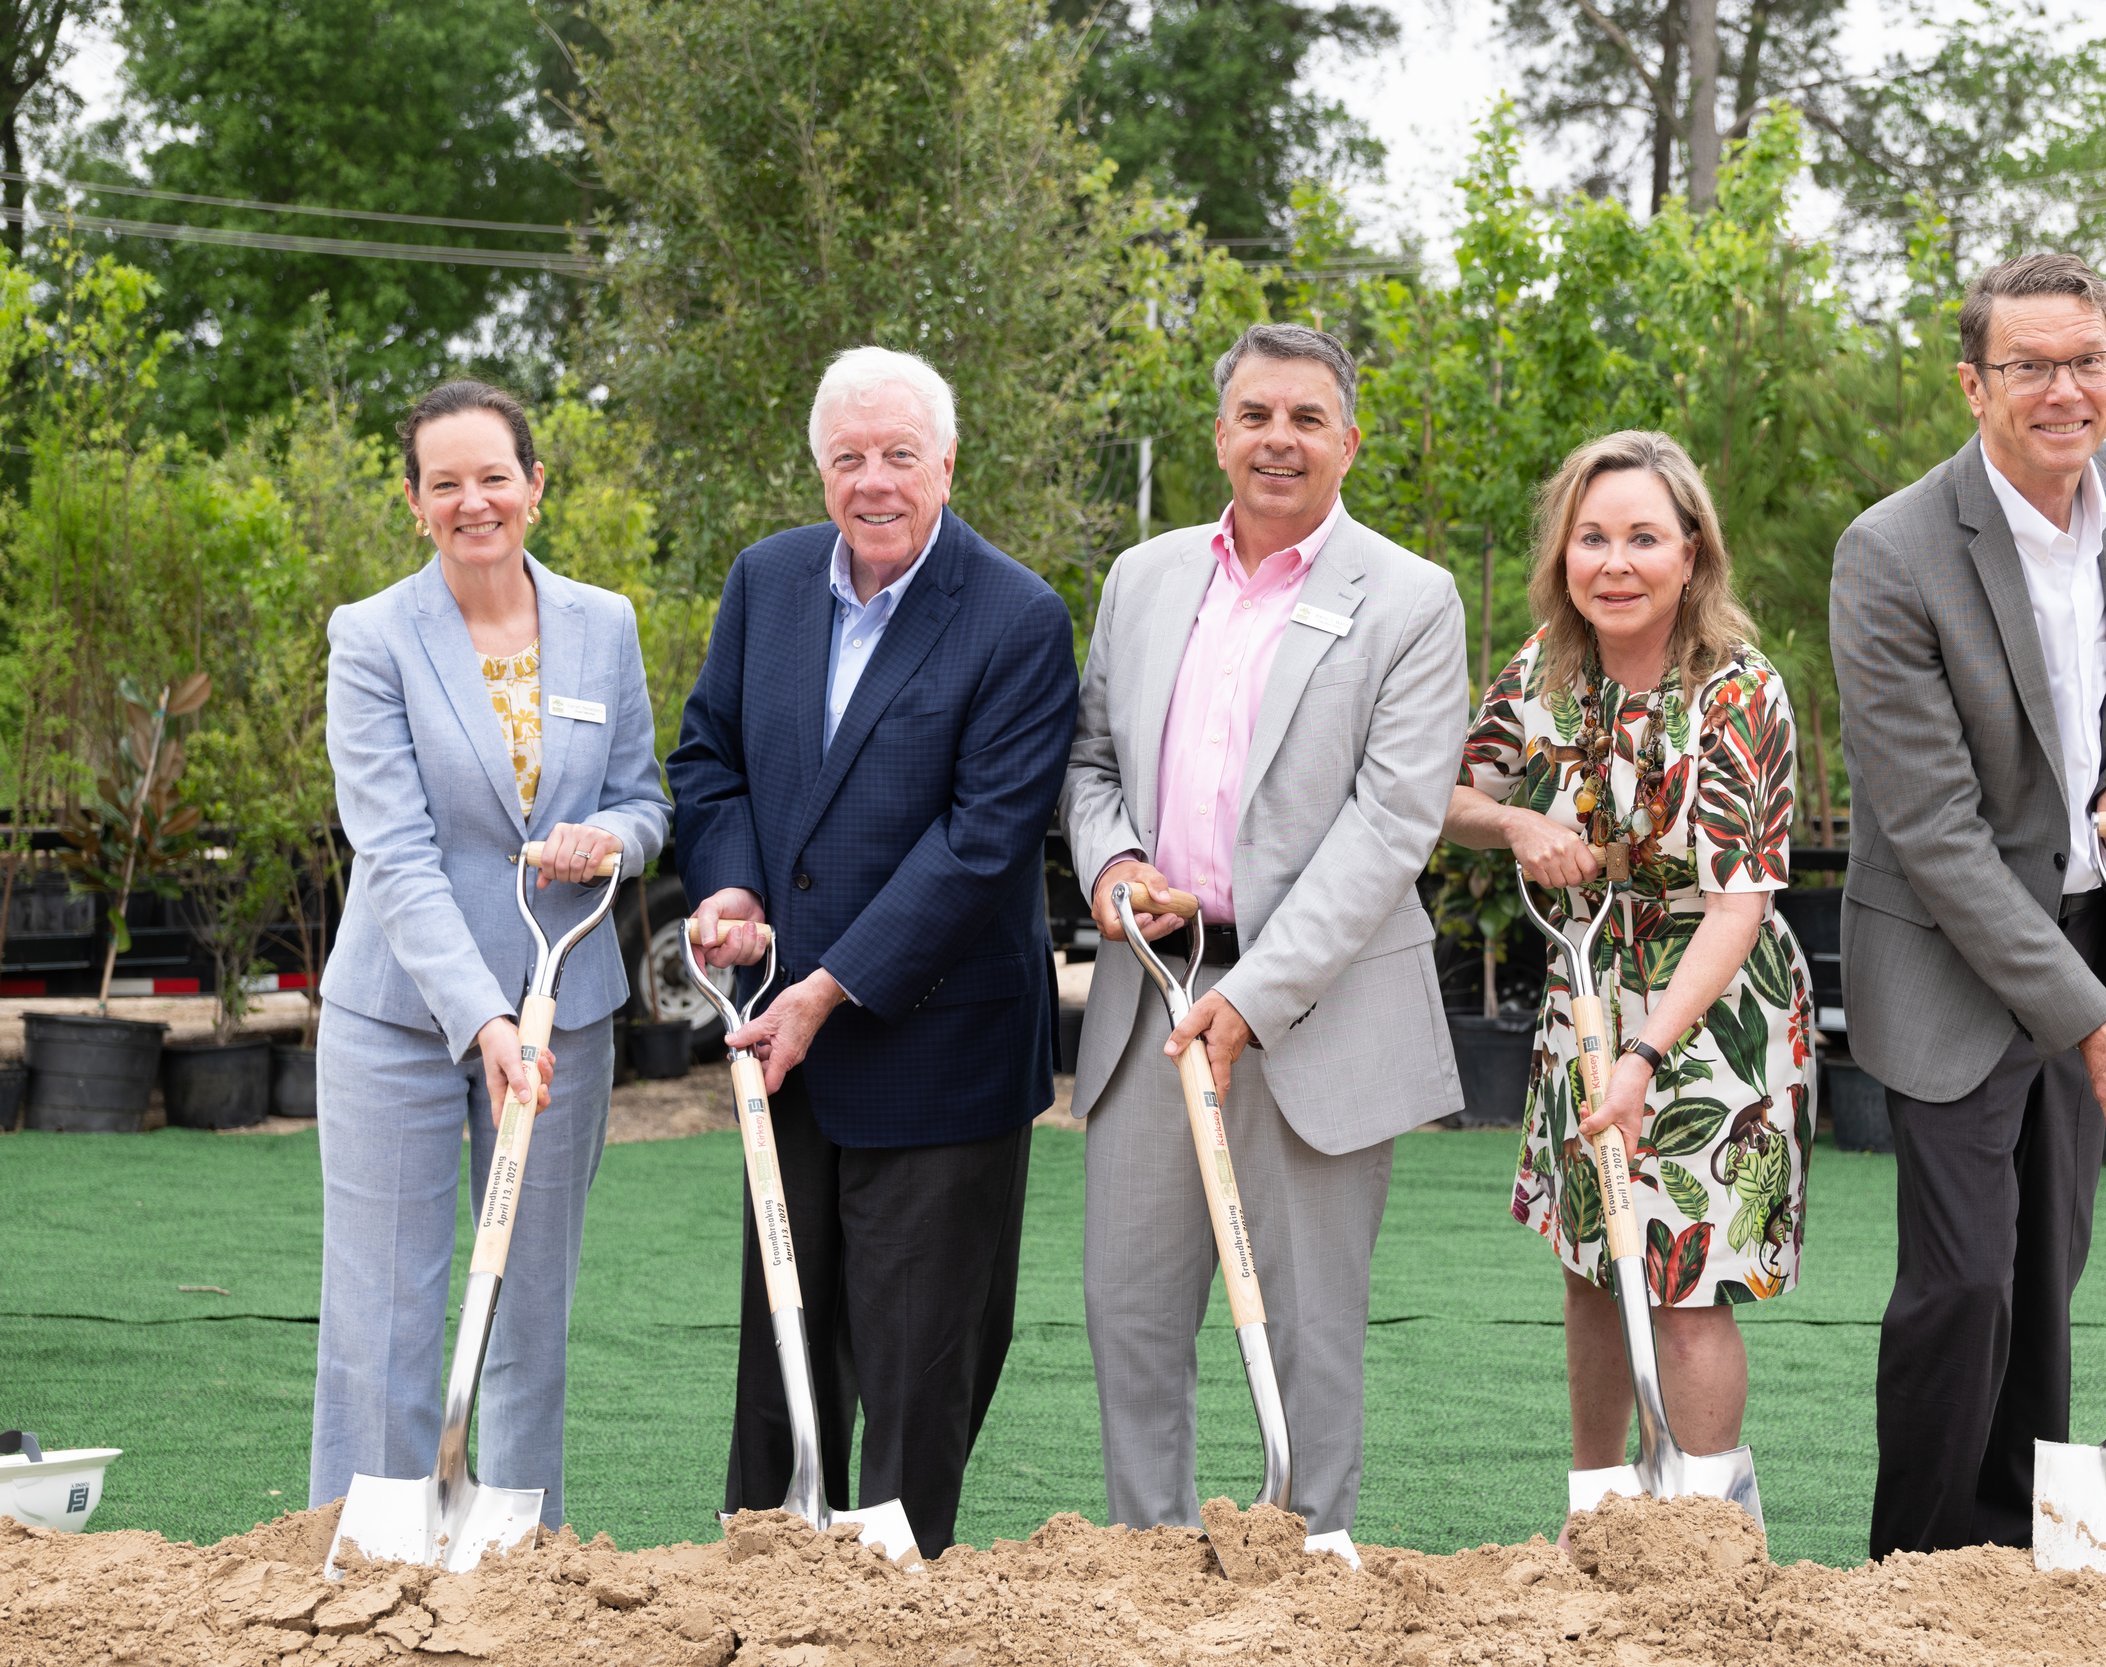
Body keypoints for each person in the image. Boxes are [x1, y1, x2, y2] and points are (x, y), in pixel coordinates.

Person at [1061, 322, 1469, 1539]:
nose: (1276, 440)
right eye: (1254, 415)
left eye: (1304, 419)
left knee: (1308, 1325)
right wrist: (1114, 862)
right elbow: (1088, 764)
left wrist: (1253, 997)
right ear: (1219, 433)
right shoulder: (1142, 580)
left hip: (1318, 1012)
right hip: (1149, 999)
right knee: (1129, 1312)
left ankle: (1308, 1563)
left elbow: (1390, 827)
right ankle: (1152, 1557)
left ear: (1348, 440)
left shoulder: (1409, 599)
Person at [668, 346, 1078, 1555]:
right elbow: (711, 757)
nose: (875, 480)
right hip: (783, 1048)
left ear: (948, 462)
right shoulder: (768, 580)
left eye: (900, 453)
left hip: (936, 1047)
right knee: (784, 1343)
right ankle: (759, 1576)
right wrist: (732, 882)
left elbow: (983, 841)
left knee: (917, 1364)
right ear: (819, 468)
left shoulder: (1017, 615)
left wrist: (827, 986)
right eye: (849, 457)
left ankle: (897, 1592)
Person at [1830, 251, 2106, 1559]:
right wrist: (2090, 1021)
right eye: (2030, 365)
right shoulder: (1893, 553)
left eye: (2085, 360)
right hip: (1945, 951)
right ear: (1974, 382)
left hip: (2086, 922)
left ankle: (2014, 1564)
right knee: (1965, 1283)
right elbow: (1932, 830)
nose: (2065, 390)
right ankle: (1914, 1570)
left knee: (2047, 1278)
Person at [312, 380, 672, 1528]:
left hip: (563, 1005)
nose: (475, 503)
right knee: (389, 1312)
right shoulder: (372, 636)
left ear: (535, 485)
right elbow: (396, 852)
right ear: (415, 503)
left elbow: (644, 801)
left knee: (528, 1308)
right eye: (446, 483)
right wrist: (484, 1018)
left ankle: (520, 1567)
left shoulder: (602, 623)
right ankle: (368, 1561)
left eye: (495, 477)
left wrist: (606, 839)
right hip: (401, 1017)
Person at [1444, 429, 1817, 1481]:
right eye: (1591, 536)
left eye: (1643, 537)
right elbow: (1457, 794)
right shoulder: (1542, 669)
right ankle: (1599, 1507)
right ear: (1563, 553)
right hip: (1585, 993)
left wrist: (1646, 1055)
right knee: (1593, 1264)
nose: (1615, 561)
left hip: (1709, 1018)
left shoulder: (1741, 693)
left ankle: (1702, 1527)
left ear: (1691, 553)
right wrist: (1520, 826)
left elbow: (1739, 906)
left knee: (1683, 1280)